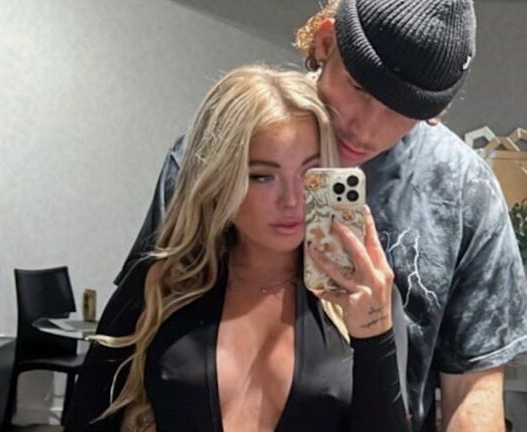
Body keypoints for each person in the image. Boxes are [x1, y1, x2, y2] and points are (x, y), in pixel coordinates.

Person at [71, 0, 527, 430]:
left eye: (404, 112)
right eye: (360, 88)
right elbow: (140, 325)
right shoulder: (215, 155)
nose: (367, 129)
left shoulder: (461, 190)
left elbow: (474, 386)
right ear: (325, 42)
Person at [70, 65, 410, 431]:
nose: (292, 199)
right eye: (262, 176)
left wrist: (374, 333)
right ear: (221, 179)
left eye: (310, 173)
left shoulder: (363, 298)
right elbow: (87, 421)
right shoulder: (162, 283)